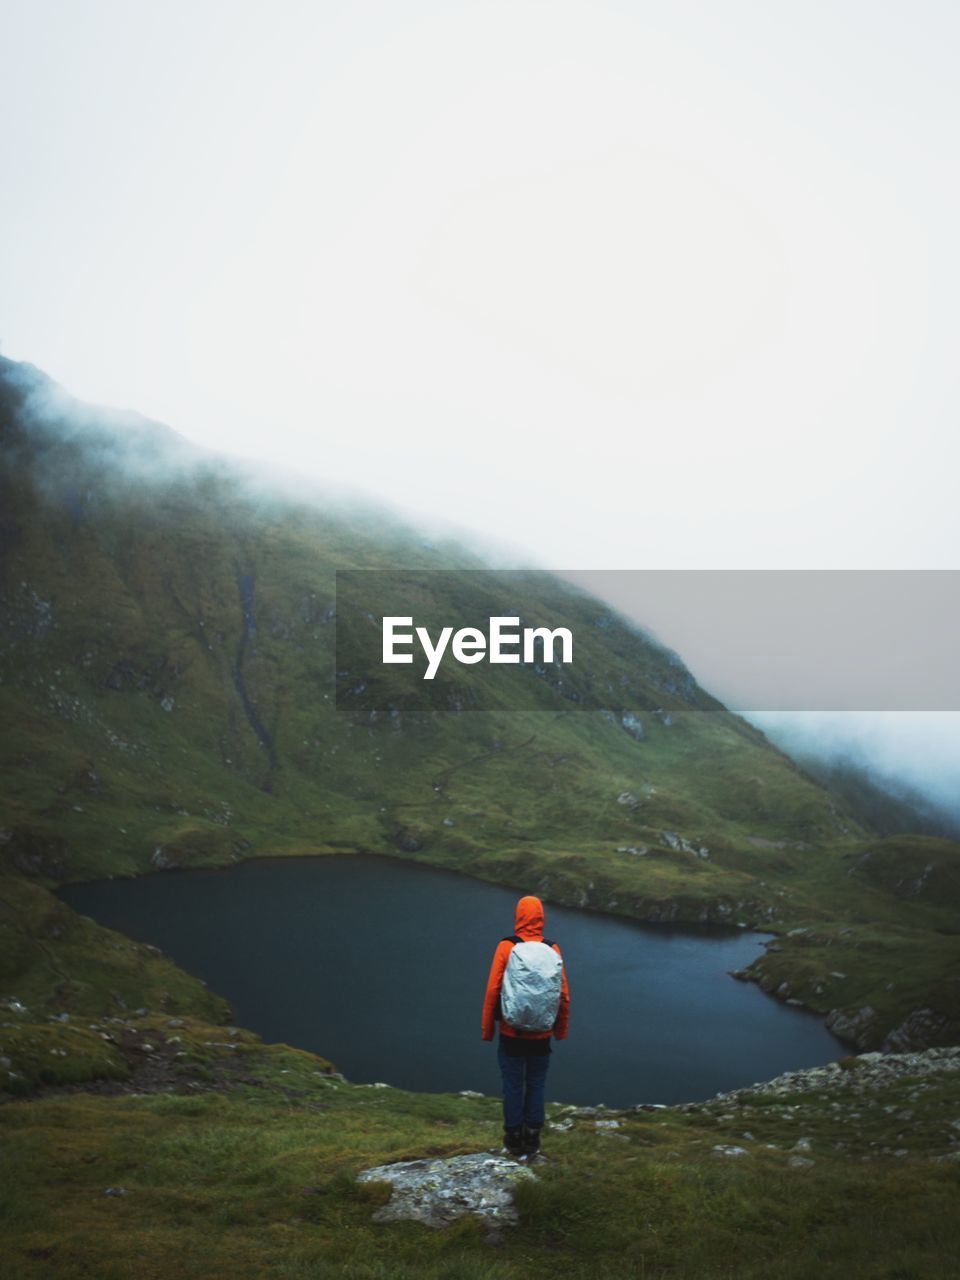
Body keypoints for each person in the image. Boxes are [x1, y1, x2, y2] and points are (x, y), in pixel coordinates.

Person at [481, 894, 570, 1158]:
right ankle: (532, 1140)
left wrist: (488, 1030)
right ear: (541, 917)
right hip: (542, 1034)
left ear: (518, 916)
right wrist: (560, 1030)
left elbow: (492, 990)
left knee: (512, 1085)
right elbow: (562, 994)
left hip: (511, 1032)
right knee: (536, 1084)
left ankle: (512, 1139)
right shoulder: (552, 948)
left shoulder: (507, 946)